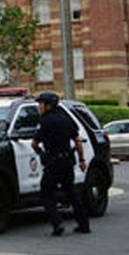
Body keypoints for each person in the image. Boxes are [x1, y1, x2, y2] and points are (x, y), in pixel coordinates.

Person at [31, 90, 90, 236]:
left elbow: (34, 143)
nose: (39, 106)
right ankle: (84, 225)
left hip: (52, 162)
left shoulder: (45, 121)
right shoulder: (66, 119)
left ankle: (57, 224)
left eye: (41, 103)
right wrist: (82, 160)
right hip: (67, 161)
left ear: (48, 105)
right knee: (71, 193)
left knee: (47, 193)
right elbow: (77, 141)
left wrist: (41, 153)